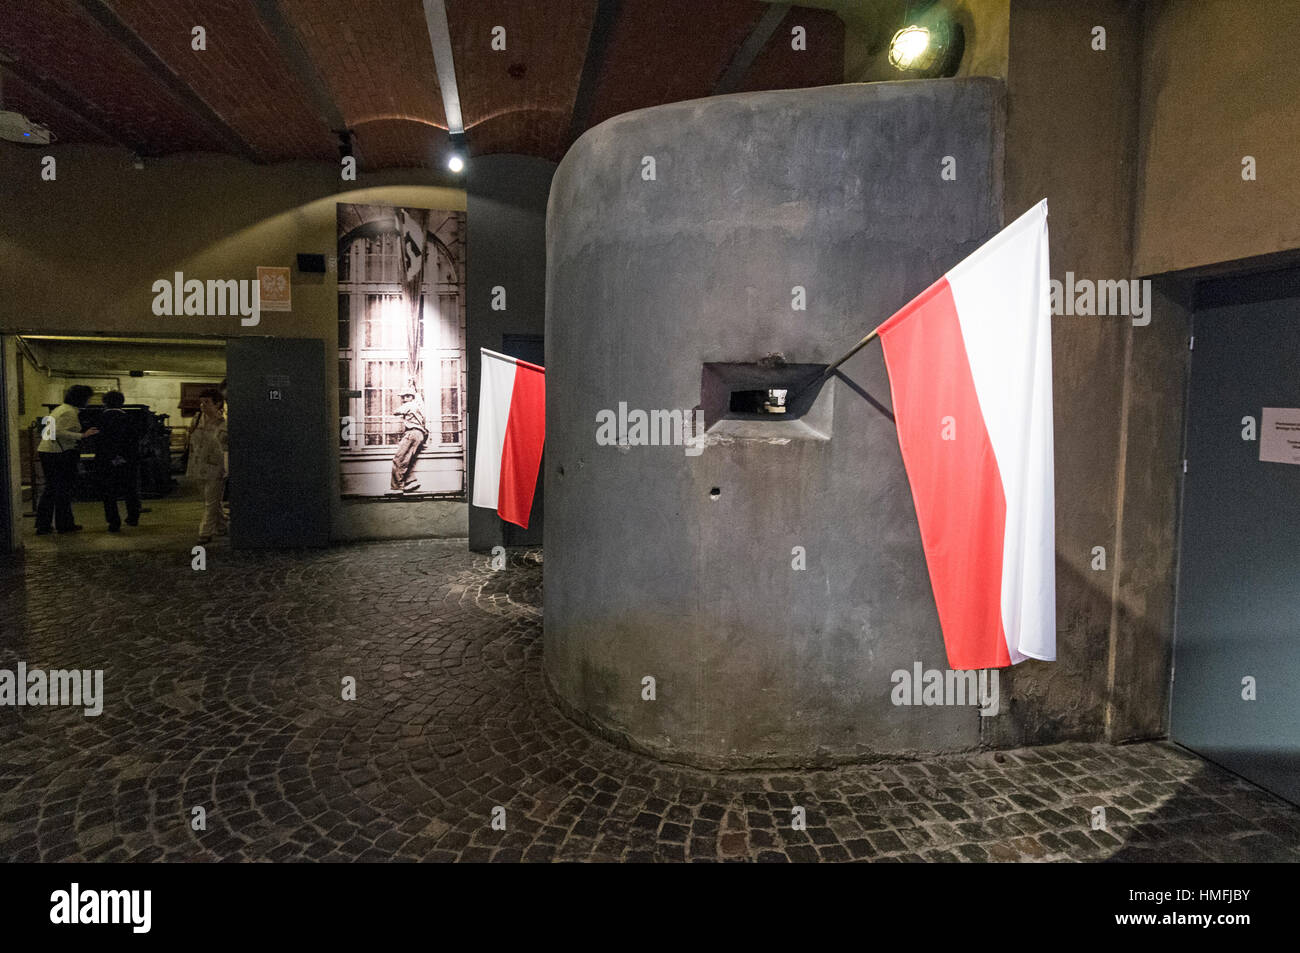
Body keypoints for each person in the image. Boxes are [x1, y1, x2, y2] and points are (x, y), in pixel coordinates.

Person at [35, 384, 99, 535]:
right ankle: (63, 524)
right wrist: (82, 435)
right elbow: (57, 432)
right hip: (59, 454)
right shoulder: (69, 412)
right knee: (62, 489)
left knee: (52, 489)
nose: (89, 401)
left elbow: (47, 431)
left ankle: (45, 524)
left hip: (48, 451)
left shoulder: (59, 409)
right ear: (81, 399)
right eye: (88, 398)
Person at [94, 390, 141, 533]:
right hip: (128, 460)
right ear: (122, 402)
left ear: (105, 403)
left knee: (109, 492)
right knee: (130, 489)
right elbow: (134, 440)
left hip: (106, 461)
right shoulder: (130, 419)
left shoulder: (99, 419)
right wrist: (123, 456)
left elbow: (99, 441)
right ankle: (133, 517)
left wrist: (111, 456)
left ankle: (113, 522)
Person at [187, 389, 228, 543]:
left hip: (216, 465)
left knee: (210, 501)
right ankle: (222, 526)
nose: (203, 405)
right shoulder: (197, 418)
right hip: (198, 463)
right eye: (202, 402)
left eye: (207, 402)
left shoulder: (224, 421)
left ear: (217, 403)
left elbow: (225, 444)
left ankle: (205, 532)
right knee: (211, 499)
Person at [390, 383, 427, 493]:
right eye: (403, 397)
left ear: (412, 397)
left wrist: (406, 408)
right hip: (419, 434)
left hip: (412, 433)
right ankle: (411, 481)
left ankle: (397, 487)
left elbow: (395, 412)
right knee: (408, 459)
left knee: (399, 459)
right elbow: (419, 400)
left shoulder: (409, 405)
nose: (404, 399)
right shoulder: (419, 405)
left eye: (407, 396)